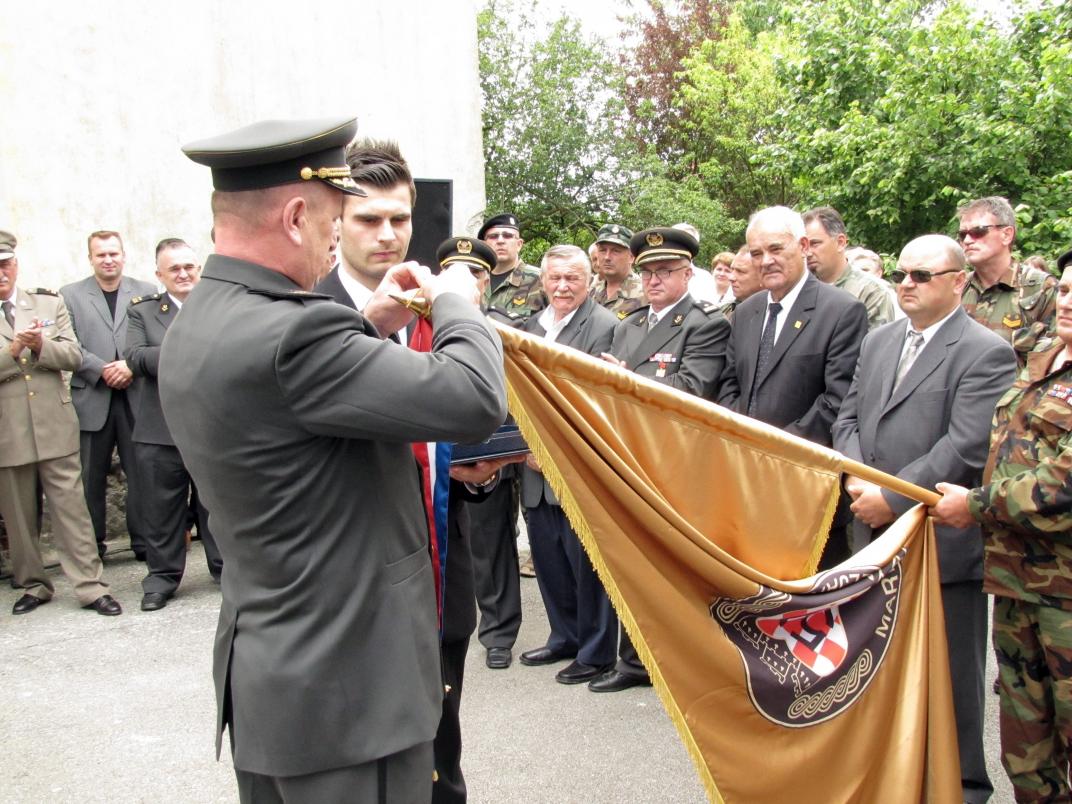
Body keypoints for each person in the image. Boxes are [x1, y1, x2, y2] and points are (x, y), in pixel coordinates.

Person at [158, 116, 507, 803]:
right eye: (330, 220)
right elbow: (473, 396)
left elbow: (292, 414)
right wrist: (456, 303)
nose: (331, 238)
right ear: (295, 216)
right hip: (351, 701)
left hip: (276, 683)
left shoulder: (202, 317)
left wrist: (366, 326)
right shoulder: (297, 333)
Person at [833, 234, 1016, 803]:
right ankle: (895, 775)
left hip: (938, 538)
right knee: (877, 666)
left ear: (958, 282)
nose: (906, 284)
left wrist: (892, 497)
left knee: (953, 674)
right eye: (902, 274)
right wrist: (857, 476)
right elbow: (849, 414)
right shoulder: (880, 339)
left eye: (921, 275)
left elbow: (963, 446)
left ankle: (962, 785)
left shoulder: (985, 350)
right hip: (868, 528)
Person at [933, 248, 1072, 802]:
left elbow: (1060, 487)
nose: (1068, 302)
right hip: (1015, 582)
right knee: (1026, 737)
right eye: (1064, 290)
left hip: (1065, 591)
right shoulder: (1041, 354)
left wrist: (976, 504)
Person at [593, 227, 731, 693]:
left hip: (677, 463)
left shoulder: (705, 322)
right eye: (648, 271)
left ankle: (680, 662)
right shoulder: (628, 324)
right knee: (632, 562)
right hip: (630, 457)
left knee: (673, 568)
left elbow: (694, 391)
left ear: (688, 273)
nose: (653, 280)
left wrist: (627, 382)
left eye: (665, 271)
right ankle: (633, 660)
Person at [718, 206, 868, 567]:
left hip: (805, 487)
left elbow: (838, 400)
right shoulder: (746, 311)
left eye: (775, 249)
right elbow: (728, 383)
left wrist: (774, 451)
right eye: (756, 253)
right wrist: (743, 441)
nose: (765, 261)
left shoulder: (841, 311)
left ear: (802, 246)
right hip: (745, 483)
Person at [0, 230, 121, 616]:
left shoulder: (47, 303)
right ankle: (33, 584)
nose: (1, 273)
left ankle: (90, 586)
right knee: (19, 517)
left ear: (15, 265)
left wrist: (40, 346)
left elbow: (72, 354)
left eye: (4, 264)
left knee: (73, 511)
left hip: (55, 424)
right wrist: (14, 350)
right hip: (8, 430)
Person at [517, 245, 619, 686]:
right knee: (550, 559)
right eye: (555, 277)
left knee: (588, 566)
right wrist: (521, 448)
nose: (562, 286)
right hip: (531, 466)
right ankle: (564, 636)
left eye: (572, 278)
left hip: (574, 469)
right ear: (543, 281)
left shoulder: (605, 328)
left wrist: (554, 452)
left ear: (589, 281)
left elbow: (593, 404)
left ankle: (596, 652)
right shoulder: (529, 327)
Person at [125, 238, 222, 611]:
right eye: (174, 269)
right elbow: (134, 357)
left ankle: (225, 569)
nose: (183, 274)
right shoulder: (143, 312)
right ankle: (162, 578)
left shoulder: (215, 306)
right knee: (162, 510)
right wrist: (191, 353)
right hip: (159, 429)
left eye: (189, 267)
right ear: (159, 275)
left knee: (215, 507)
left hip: (210, 426)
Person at [60, 230, 155, 559]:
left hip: (135, 393)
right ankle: (93, 545)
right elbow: (69, 345)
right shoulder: (70, 295)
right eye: (101, 254)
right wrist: (102, 369)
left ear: (123, 255)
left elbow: (152, 338)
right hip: (92, 395)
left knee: (141, 472)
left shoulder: (146, 291)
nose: (108, 259)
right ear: (90, 259)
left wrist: (130, 366)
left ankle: (144, 541)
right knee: (90, 477)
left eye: (114, 253)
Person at [957, 195, 1057, 364]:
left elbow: (1055, 356)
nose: (967, 240)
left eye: (978, 231)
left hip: (1017, 388)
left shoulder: (1042, 289)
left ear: (1006, 234)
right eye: (962, 234)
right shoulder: (956, 289)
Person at [803, 206, 894, 330]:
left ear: (840, 242)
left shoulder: (870, 291)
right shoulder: (800, 289)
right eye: (804, 246)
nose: (808, 253)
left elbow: (879, 345)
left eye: (815, 244)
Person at [479, 213, 545, 317]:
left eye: (507, 236)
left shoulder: (541, 280)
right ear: (484, 244)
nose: (500, 241)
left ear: (519, 244)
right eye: (493, 236)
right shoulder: (475, 280)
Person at [590, 223, 645, 319]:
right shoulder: (590, 287)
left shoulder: (645, 294)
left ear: (631, 257)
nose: (607, 257)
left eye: (616, 251)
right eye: (603, 250)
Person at [721, 245, 762, 319]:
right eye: (732, 270)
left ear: (762, 275)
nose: (731, 278)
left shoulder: (770, 317)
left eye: (740, 271)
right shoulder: (724, 310)